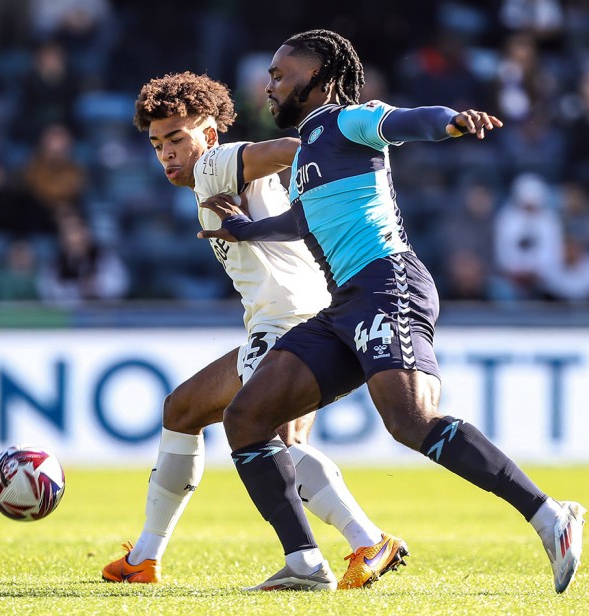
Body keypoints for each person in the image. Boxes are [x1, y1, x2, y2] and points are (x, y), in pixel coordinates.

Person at [198, 29, 586, 593]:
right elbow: (305, 221)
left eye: (280, 74)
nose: (269, 84)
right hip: (344, 305)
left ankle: (551, 515)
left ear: (317, 76)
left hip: (388, 284)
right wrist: (245, 229)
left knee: (412, 421)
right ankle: (305, 563)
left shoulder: (347, 120)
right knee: (246, 418)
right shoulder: (306, 151)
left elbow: (406, 121)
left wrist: (452, 121)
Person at [101, 72, 403, 590]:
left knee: (255, 433)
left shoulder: (216, 163)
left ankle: (364, 540)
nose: (166, 153)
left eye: (176, 138)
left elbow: (288, 148)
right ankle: (145, 557)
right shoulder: (211, 174)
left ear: (209, 133)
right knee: (188, 412)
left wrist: (330, 152)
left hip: (287, 319)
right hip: (306, 313)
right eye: (156, 144)